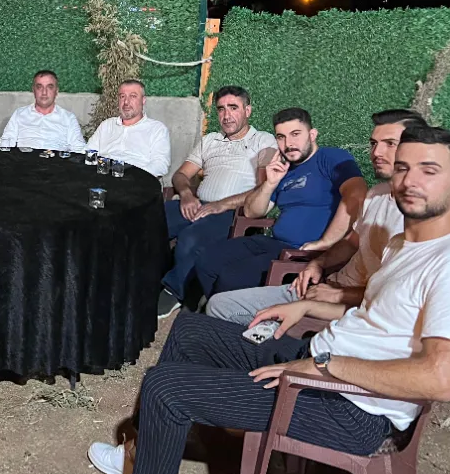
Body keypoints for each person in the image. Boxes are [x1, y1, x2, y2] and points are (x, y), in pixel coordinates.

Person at [85, 125, 450, 474]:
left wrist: (325, 367)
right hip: (321, 361)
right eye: (402, 168)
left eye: (428, 170)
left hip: (353, 409)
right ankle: (146, 454)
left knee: (164, 386)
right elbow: (376, 318)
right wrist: (305, 308)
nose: (409, 181)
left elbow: (440, 380)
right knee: (190, 330)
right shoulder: (404, 244)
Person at [207, 109, 426, 326]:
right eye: (373, 143)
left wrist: (326, 249)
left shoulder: (417, 216)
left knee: (230, 282)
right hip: (317, 276)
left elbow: (396, 292)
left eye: (390, 143)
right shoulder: (377, 194)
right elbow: (253, 212)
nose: (377, 152)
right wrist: (319, 263)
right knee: (210, 263)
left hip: (332, 288)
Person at [192, 107, 367, 299]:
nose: (288, 144)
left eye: (295, 134)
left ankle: (226, 312)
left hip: (303, 253)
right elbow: (252, 212)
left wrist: (326, 242)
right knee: (206, 261)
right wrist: (270, 183)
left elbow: (357, 195)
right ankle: (217, 309)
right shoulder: (284, 169)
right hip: (274, 243)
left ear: (312, 135)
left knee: (231, 278)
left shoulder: (330, 157)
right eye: (281, 137)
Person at [157, 86, 277, 317]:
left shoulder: (264, 141)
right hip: (198, 203)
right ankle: (145, 277)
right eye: (221, 109)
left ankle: (174, 291)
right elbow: (181, 175)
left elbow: (263, 187)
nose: (226, 115)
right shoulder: (210, 140)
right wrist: (187, 194)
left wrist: (221, 205)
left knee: (191, 238)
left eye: (233, 108)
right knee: (150, 218)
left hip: (234, 212)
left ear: (248, 111)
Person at [86, 80, 170, 179]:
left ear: (143, 100)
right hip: (102, 177)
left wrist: (133, 176)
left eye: (133, 96)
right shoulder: (107, 125)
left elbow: (160, 165)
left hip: (136, 180)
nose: (126, 102)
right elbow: (88, 153)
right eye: (122, 96)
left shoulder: (157, 129)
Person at [0, 70, 86, 152]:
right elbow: (5, 144)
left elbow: (79, 149)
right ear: (33, 90)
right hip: (24, 162)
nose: (44, 92)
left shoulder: (68, 118)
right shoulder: (20, 114)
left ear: (56, 91)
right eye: (39, 87)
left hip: (56, 163)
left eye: (50, 87)